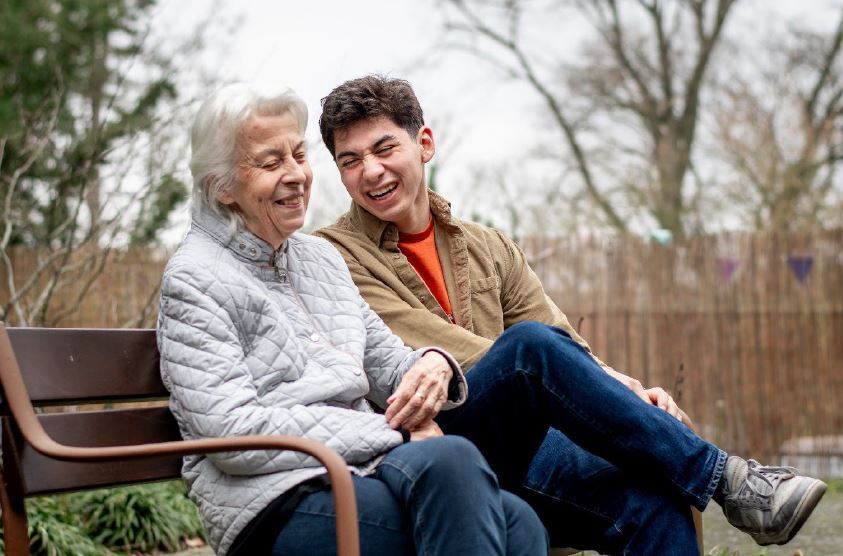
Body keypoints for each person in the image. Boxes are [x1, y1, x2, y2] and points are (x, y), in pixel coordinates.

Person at [315, 75, 828, 554]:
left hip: (526, 448)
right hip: (428, 447)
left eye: (385, 148)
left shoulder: (488, 246)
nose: (371, 171)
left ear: (423, 144)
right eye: (351, 160)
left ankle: (724, 483)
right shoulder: (331, 256)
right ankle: (729, 481)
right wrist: (560, 365)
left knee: (654, 502)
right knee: (529, 350)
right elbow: (481, 352)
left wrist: (624, 387)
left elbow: (563, 343)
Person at [156, 83, 549, 556]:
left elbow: (386, 361)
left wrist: (431, 365)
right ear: (220, 186)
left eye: (298, 155)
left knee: (520, 520)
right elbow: (234, 433)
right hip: (274, 501)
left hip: (361, 472)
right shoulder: (195, 279)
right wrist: (396, 429)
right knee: (454, 464)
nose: (295, 175)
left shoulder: (319, 259)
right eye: (269, 162)